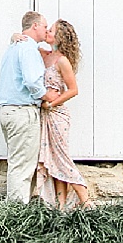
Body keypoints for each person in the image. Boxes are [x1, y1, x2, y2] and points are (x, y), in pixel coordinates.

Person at [33, 19, 94, 209]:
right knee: (53, 160)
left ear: (59, 36)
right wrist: (16, 37)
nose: (48, 32)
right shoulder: (44, 55)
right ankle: (60, 207)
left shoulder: (62, 61)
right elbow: (28, 45)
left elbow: (73, 89)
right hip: (45, 114)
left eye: (51, 30)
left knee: (61, 157)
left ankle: (85, 199)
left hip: (57, 114)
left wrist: (51, 103)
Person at [0, 11, 50, 203]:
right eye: (44, 26)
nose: (46, 30)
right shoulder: (28, 48)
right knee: (22, 167)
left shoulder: (14, 47)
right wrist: (45, 95)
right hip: (22, 112)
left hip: (8, 111)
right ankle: (16, 215)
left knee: (17, 163)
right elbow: (32, 80)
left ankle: (17, 209)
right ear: (34, 26)